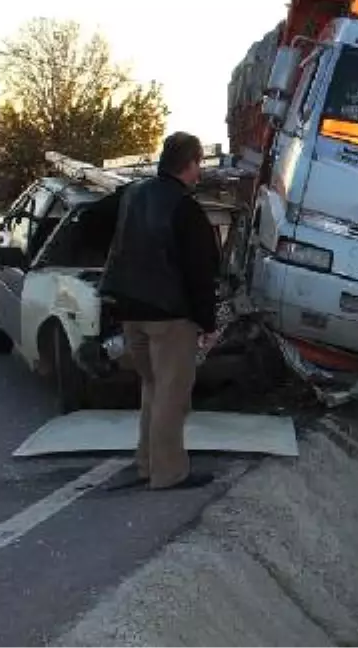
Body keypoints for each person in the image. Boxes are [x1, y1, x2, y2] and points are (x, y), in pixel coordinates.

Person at [99, 132, 221, 491]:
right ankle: (169, 473)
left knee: (152, 388)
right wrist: (207, 322)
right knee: (172, 395)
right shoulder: (185, 208)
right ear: (192, 163)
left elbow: (105, 234)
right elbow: (201, 271)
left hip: (130, 309)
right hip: (169, 315)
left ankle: (147, 464)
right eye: (198, 164)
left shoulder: (133, 194)